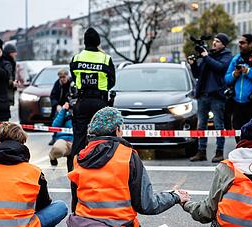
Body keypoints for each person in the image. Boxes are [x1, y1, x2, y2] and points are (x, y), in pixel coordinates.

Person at [67, 107, 190, 226]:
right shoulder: (127, 156)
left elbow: (75, 203)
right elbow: (147, 205)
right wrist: (174, 196)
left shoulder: (79, 158)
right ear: (117, 130)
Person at [68, 27, 115, 172]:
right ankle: (103, 168)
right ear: (98, 42)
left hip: (82, 102)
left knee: (79, 139)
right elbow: (112, 82)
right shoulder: (106, 59)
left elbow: (75, 78)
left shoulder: (76, 59)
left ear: (84, 42)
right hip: (100, 102)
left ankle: (74, 171)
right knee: (104, 137)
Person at [188, 33, 233, 162]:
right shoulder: (209, 55)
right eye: (214, 40)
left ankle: (219, 152)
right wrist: (193, 64)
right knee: (201, 125)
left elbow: (220, 68)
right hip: (203, 95)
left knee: (219, 125)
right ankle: (201, 152)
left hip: (217, 96)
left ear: (224, 44)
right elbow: (198, 74)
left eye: (218, 41)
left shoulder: (227, 56)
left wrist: (206, 56)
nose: (214, 43)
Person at [225, 34, 252, 134]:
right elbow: (227, 79)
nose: (239, 45)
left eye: (243, 43)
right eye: (239, 42)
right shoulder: (236, 59)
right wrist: (235, 74)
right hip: (237, 104)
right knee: (238, 133)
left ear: (251, 44)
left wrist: (249, 72)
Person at [48, 68, 71, 146]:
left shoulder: (71, 83)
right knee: (56, 119)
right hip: (60, 105)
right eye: (61, 77)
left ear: (67, 76)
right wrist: (56, 105)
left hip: (70, 105)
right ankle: (55, 136)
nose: (62, 79)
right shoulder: (57, 84)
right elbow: (53, 96)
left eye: (64, 77)